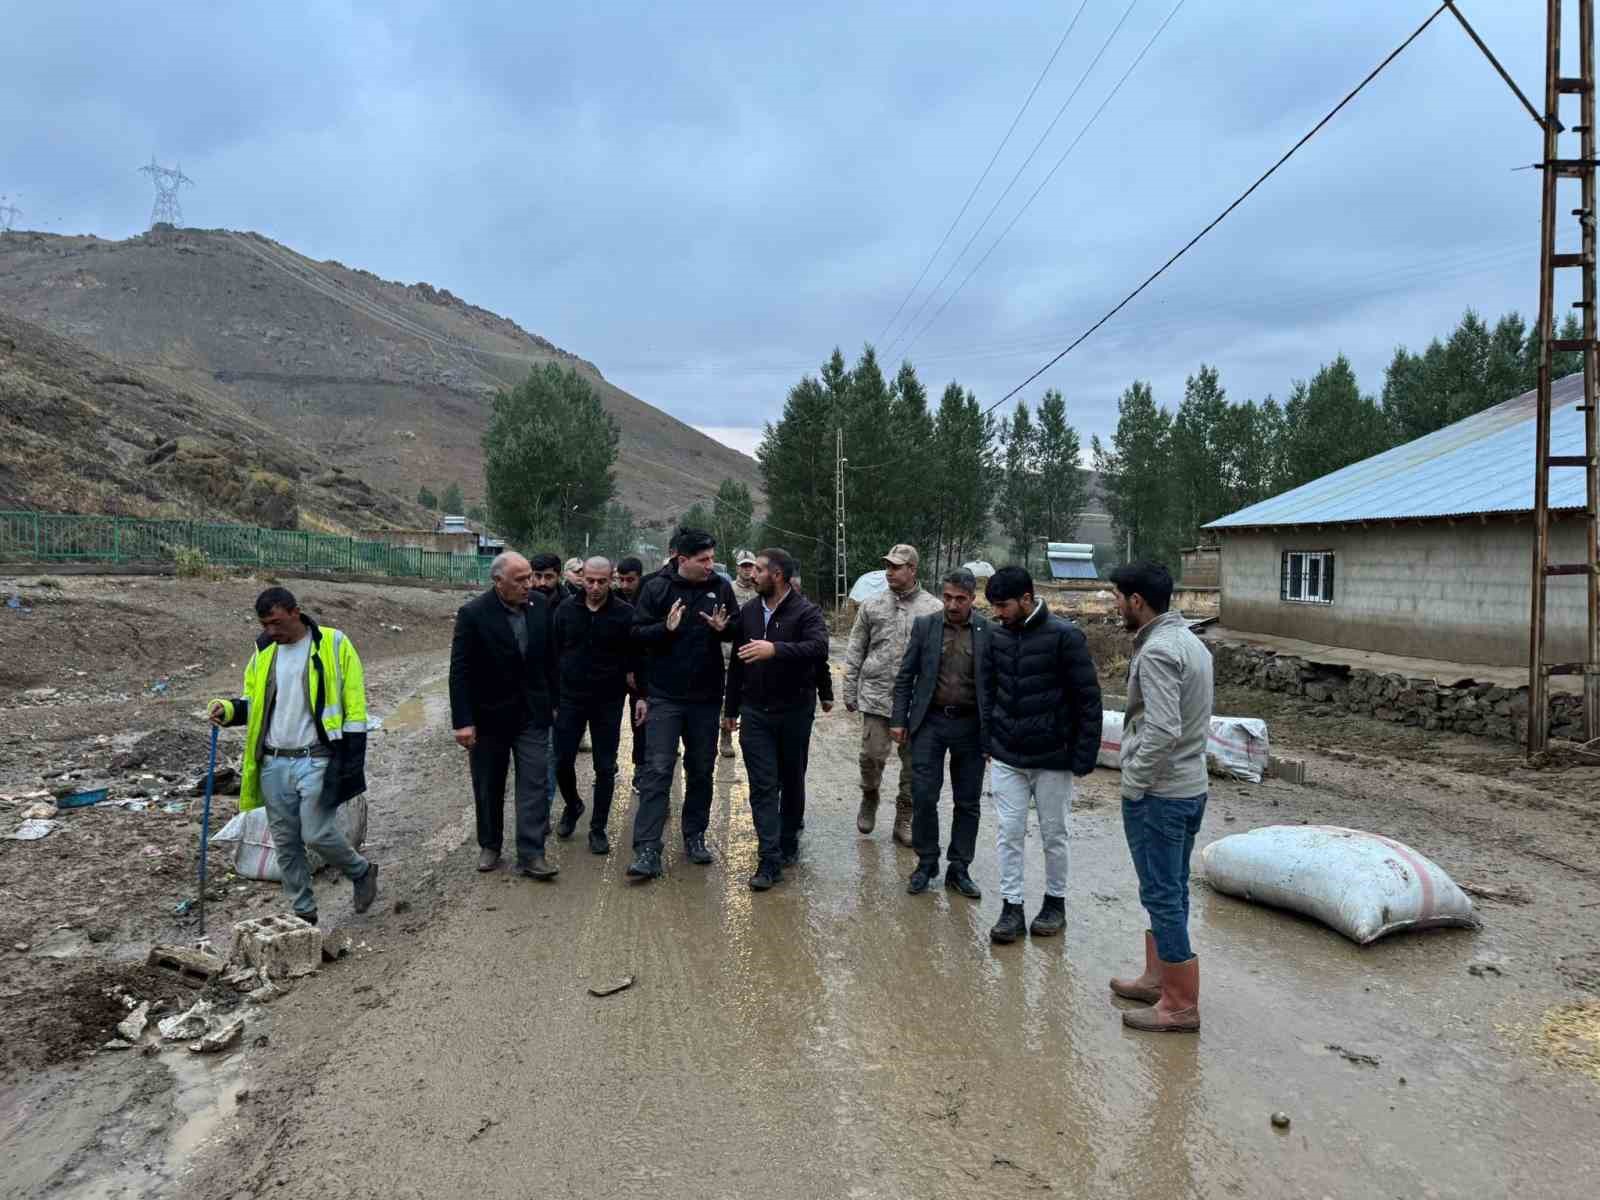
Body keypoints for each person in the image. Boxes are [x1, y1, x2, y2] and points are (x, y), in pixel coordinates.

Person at [209, 587, 377, 924]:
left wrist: (351, 762)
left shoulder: (334, 644)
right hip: (273, 762)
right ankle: (304, 912)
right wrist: (227, 710)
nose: (271, 631)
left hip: (316, 758)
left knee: (315, 833)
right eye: (265, 624)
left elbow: (355, 707)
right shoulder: (263, 653)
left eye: (276, 622)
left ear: (295, 612)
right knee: (285, 843)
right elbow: (252, 703)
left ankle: (359, 871)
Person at [1107, 561, 1212, 1033]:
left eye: (1117, 597)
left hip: (1161, 794)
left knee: (1162, 894)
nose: (1115, 605)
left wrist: (1134, 782)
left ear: (1136, 601)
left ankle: (1180, 1004)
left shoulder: (1157, 653)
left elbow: (1164, 729)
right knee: (1170, 890)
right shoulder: (1192, 643)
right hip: (1190, 788)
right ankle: (1158, 978)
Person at [981, 566, 1101, 945]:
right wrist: (989, 740)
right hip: (1006, 756)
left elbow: (1088, 699)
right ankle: (1011, 907)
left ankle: (1055, 903)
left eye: (1002, 605)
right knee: (1009, 833)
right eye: (994, 606)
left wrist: (1083, 754)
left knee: (1054, 834)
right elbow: (988, 692)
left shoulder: (1066, 637)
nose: (997, 613)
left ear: (1027, 599)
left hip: (1052, 758)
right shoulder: (996, 637)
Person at [625, 527, 738, 880]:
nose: (710, 565)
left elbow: (735, 628)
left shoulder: (720, 587)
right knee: (657, 770)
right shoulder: (656, 588)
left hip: (705, 699)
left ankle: (695, 836)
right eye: (703, 560)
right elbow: (636, 634)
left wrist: (724, 628)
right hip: (665, 696)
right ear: (682, 559)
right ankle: (647, 848)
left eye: (712, 559)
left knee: (701, 770)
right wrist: (665, 628)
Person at [449, 551, 561, 880]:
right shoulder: (473, 614)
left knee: (535, 782)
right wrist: (463, 721)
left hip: (532, 714)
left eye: (530, 577)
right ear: (498, 582)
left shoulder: (541, 607)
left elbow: (550, 659)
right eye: (521, 580)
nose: (530, 585)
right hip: (488, 717)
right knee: (488, 783)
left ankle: (531, 853)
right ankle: (490, 844)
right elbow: (460, 671)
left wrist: (553, 700)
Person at [723, 547, 828, 891]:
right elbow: (738, 662)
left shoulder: (805, 612)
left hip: (794, 712)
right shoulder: (749, 612)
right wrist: (730, 710)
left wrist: (776, 650)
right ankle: (768, 859)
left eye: (760, 570)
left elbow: (818, 649)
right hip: (755, 713)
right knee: (764, 785)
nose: (752, 574)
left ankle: (788, 837)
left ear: (778, 575)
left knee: (792, 779)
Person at [890, 569, 990, 900]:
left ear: (973, 599)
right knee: (923, 795)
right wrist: (898, 719)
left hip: (970, 727)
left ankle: (959, 868)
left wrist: (993, 733)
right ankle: (926, 862)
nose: (952, 604)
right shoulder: (926, 627)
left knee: (967, 801)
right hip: (929, 723)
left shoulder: (988, 632)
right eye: (947, 597)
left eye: (960, 598)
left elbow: (997, 686)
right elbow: (906, 676)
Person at [842, 543, 941, 844]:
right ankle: (870, 796)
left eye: (896, 567)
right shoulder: (872, 606)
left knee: (913, 766)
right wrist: (849, 688)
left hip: (916, 702)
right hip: (876, 696)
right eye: (887, 565)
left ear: (912, 569)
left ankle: (904, 816)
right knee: (871, 757)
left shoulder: (933, 608)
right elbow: (856, 647)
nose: (889, 571)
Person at [551, 556, 635, 856]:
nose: (596, 587)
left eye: (602, 581)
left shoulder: (625, 614)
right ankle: (573, 805)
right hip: (570, 699)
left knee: (604, 767)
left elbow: (636, 656)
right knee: (561, 760)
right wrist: (554, 698)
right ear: (581, 578)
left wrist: (637, 689)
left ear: (611, 578)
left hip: (608, 702)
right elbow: (553, 654)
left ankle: (598, 828)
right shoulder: (565, 610)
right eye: (590, 580)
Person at [527, 551, 564, 799]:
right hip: (527, 690)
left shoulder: (570, 604)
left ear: (558, 576)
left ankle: (548, 804)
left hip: (559, 691)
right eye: (536, 576)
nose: (541, 583)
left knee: (554, 754)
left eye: (548, 577)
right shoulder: (522, 602)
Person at [614, 556, 649, 787]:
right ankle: (607, 766)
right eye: (621, 580)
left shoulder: (648, 598)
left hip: (640, 673)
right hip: (614, 672)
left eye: (630, 580)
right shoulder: (612, 599)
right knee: (609, 722)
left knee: (640, 724)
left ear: (639, 577)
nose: (625, 585)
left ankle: (640, 768)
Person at [721, 549, 760, 758]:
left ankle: (752, 740)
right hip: (730, 652)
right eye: (743, 565)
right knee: (728, 697)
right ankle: (725, 739)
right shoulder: (728, 590)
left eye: (750, 566)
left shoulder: (760, 590)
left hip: (755, 653)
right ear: (737, 568)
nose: (747, 569)